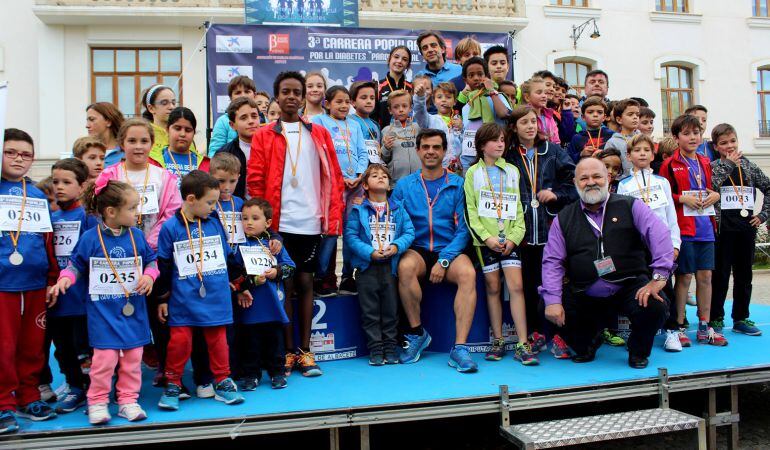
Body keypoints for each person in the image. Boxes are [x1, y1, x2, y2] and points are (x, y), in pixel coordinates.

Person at [247, 71, 344, 378]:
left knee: (306, 285)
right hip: (280, 223)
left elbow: (334, 177)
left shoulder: (319, 132)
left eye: (296, 92)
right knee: (284, 286)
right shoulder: (263, 134)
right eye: (285, 91)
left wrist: (332, 217)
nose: (290, 96)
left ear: (303, 97)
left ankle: (305, 351)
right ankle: (287, 351)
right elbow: (256, 180)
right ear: (276, 96)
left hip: (311, 222)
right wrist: (265, 224)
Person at [540, 158, 673, 369]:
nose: (591, 182)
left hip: (628, 286)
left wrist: (659, 277)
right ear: (575, 182)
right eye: (584, 178)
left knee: (656, 305)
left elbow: (660, 236)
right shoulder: (563, 218)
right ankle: (589, 343)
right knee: (547, 302)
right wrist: (553, 300)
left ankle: (637, 350)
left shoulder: (631, 206)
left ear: (608, 179)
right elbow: (552, 262)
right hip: (586, 291)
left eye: (597, 176)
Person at [49, 179, 157, 425]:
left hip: (133, 313)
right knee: (104, 362)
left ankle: (128, 400)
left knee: (132, 360)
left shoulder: (137, 236)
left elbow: (152, 261)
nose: (136, 213)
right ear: (111, 212)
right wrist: (65, 279)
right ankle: (97, 401)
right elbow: (75, 264)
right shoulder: (90, 238)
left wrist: (150, 276)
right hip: (103, 314)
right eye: (132, 208)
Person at [156, 171, 245, 411]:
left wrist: (240, 286)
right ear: (191, 199)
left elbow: (228, 256)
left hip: (216, 296)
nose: (214, 207)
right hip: (184, 298)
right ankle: (173, 383)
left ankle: (223, 381)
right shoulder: (170, 228)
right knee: (179, 342)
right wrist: (162, 298)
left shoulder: (215, 222)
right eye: (210, 202)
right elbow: (164, 265)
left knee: (218, 342)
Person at [391, 129, 478, 373]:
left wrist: (445, 260)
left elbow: (464, 229)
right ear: (418, 151)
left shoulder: (458, 184)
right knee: (405, 266)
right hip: (416, 249)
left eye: (436, 147)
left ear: (444, 151)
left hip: (448, 248)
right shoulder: (404, 186)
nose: (431, 152)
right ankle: (418, 333)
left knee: (468, 274)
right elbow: (397, 225)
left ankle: (460, 348)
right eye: (426, 147)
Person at [504, 106, 577, 358]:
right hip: (522, 234)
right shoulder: (509, 155)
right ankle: (537, 333)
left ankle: (561, 334)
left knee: (555, 284)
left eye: (533, 121)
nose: (530, 126)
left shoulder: (553, 151)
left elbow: (573, 184)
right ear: (514, 127)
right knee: (529, 286)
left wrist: (556, 194)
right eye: (523, 122)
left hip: (551, 231)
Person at [0, 129, 59, 433]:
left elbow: (47, 240)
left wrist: (51, 278)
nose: (19, 159)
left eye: (25, 154)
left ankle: (28, 396)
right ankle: (3, 404)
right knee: (3, 346)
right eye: (11, 152)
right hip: (4, 285)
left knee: (33, 346)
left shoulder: (36, 194)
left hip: (35, 283)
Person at [463, 123, 534, 365]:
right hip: (486, 243)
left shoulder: (512, 170)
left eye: (503, 139)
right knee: (493, 288)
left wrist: (514, 237)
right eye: (495, 140)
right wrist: (487, 238)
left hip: (511, 240)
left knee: (516, 287)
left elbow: (520, 208)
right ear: (482, 145)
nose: (501, 144)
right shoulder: (473, 173)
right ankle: (498, 340)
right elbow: (470, 211)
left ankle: (523, 343)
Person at [659, 114, 727, 347]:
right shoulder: (670, 164)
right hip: (683, 227)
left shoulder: (705, 161)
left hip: (705, 225)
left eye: (696, 133)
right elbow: (664, 197)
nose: (692, 137)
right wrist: (682, 199)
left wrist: (715, 195)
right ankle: (678, 325)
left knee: (706, 276)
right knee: (685, 276)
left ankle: (704, 325)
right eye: (686, 133)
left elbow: (709, 190)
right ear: (676, 137)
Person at [345, 164, 415, 365]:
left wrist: (395, 247)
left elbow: (409, 233)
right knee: (370, 311)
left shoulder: (399, 209)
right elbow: (351, 237)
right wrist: (369, 253)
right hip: (367, 268)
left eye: (384, 176)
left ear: (390, 183)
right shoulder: (358, 210)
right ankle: (375, 349)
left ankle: (390, 348)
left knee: (391, 310)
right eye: (375, 176)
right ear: (365, 185)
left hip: (390, 267)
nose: (381, 178)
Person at [617, 133, 682, 351]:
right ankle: (639, 331)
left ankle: (672, 331)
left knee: (667, 288)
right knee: (640, 286)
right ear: (628, 156)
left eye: (646, 150)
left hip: (662, 245)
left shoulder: (662, 182)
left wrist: (675, 244)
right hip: (637, 246)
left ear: (653, 154)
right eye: (637, 150)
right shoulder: (623, 185)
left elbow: (671, 215)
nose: (642, 153)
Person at [46, 159, 99, 414]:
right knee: (63, 347)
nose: (59, 187)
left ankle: (90, 389)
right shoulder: (50, 218)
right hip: (57, 297)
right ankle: (73, 384)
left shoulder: (88, 218)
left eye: (67, 182)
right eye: (56, 182)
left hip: (81, 299)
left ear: (82, 186)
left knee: (84, 349)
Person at [710, 123, 770, 336]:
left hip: (746, 227)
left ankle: (741, 317)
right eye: (724, 143)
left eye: (732, 141)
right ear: (716, 146)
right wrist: (728, 164)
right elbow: (710, 187)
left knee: (745, 275)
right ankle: (715, 317)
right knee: (720, 275)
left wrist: (763, 215)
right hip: (722, 229)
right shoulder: (713, 166)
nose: (729, 146)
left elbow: (768, 188)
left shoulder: (750, 167)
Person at [232, 198, 295, 390]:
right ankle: (251, 374)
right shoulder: (238, 246)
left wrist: (277, 272)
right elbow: (234, 274)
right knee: (250, 343)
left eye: (254, 218)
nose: (248, 222)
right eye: (244, 218)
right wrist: (250, 281)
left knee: (275, 342)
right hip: (250, 306)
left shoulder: (274, 245)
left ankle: (277, 372)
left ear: (268, 222)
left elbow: (291, 267)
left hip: (273, 305)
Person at [312, 86, 369, 297]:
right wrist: (338, 177)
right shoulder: (320, 122)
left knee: (352, 230)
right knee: (330, 231)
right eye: (338, 101)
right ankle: (322, 276)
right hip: (332, 185)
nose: (344, 105)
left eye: (346, 101)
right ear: (327, 104)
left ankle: (348, 276)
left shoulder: (355, 125)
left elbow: (363, 153)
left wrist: (359, 175)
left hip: (355, 185)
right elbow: (319, 151)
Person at [458, 57, 513, 170]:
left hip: (496, 158)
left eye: (480, 74)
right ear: (465, 80)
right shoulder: (466, 107)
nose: (476, 78)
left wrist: (492, 92)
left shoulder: (497, 96)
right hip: (470, 160)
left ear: (487, 76)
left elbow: (503, 114)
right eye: (471, 75)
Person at [141, 84, 197, 163]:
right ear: (151, 108)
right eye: (164, 103)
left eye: (173, 103)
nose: (171, 107)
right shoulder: (144, 135)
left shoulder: (184, 134)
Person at [218, 96, 261, 199]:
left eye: (254, 116)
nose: (251, 121)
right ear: (232, 125)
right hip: (236, 209)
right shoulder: (224, 153)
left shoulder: (271, 148)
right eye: (244, 118)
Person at [413, 82, 462, 171]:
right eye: (439, 97)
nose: (444, 100)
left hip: (457, 170)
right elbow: (419, 112)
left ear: (454, 101)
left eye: (448, 97)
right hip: (436, 169)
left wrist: (461, 129)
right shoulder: (430, 120)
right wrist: (420, 98)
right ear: (434, 101)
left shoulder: (459, 121)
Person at [156, 107, 210, 184]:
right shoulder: (154, 161)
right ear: (167, 130)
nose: (183, 134)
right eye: (177, 129)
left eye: (188, 130)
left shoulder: (205, 164)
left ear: (194, 133)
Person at [209, 75, 258, 156]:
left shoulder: (264, 120)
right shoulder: (222, 121)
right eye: (238, 92)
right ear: (231, 98)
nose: (243, 95)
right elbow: (214, 154)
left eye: (247, 91)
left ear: (255, 95)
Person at [381, 90, 422, 181]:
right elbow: (384, 159)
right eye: (396, 107)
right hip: (397, 182)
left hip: (420, 180)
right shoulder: (386, 131)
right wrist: (386, 148)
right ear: (390, 110)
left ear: (411, 108)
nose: (401, 110)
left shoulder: (418, 128)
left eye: (404, 106)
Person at [566, 96, 615, 163]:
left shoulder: (612, 135)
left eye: (599, 112)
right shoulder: (577, 138)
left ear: (604, 117)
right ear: (583, 117)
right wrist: (581, 154)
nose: (595, 115)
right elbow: (568, 160)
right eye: (590, 112)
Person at [376, 45, 413, 129]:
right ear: (389, 59)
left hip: (409, 137)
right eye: (396, 57)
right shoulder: (377, 87)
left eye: (404, 59)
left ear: (408, 65)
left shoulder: (412, 87)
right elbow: (373, 118)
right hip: (385, 138)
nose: (399, 61)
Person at [604, 98, 641, 176]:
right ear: (619, 120)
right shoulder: (613, 142)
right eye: (630, 114)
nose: (635, 117)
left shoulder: (643, 139)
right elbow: (609, 167)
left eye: (637, 114)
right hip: (622, 183)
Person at [349, 80, 383, 164]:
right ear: (353, 102)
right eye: (364, 97)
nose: (369, 101)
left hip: (375, 169)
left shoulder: (376, 125)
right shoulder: (349, 121)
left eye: (372, 98)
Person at [521, 77, 559, 145]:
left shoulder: (549, 116)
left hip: (551, 153)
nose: (544, 96)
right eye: (539, 93)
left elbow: (556, 140)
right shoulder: (522, 117)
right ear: (527, 97)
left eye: (545, 93)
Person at [86, 102, 125, 168]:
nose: (87, 125)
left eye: (92, 120)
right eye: (87, 120)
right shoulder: (81, 150)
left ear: (108, 122)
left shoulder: (127, 151)